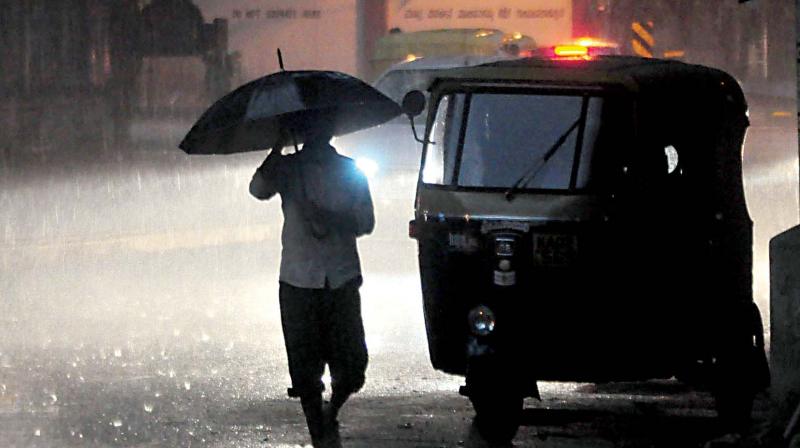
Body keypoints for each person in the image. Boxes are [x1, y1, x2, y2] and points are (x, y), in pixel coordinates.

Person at [249, 120, 374, 448]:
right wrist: (276, 150)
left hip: (341, 278)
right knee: (304, 370)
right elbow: (258, 189)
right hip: (298, 280)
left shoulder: (350, 170)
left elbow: (366, 221)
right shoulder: (287, 169)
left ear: (330, 133)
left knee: (351, 367)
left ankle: (330, 411)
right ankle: (318, 430)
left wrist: (333, 218)